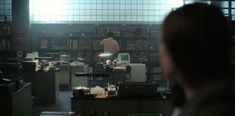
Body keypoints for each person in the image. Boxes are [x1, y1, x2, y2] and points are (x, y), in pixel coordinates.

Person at [160, 3, 235, 116]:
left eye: (163, 43)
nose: (159, 54)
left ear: (182, 49)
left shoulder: (213, 111)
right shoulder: (188, 100)